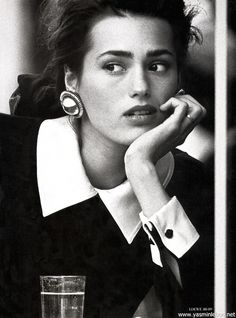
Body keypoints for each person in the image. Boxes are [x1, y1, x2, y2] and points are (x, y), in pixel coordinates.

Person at [0, 0, 214, 317]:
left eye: (157, 66)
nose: (140, 87)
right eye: (114, 66)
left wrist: (142, 170)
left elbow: (209, 308)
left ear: (179, 82)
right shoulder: (7, 155)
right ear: (72, 80)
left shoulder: (198, 186)